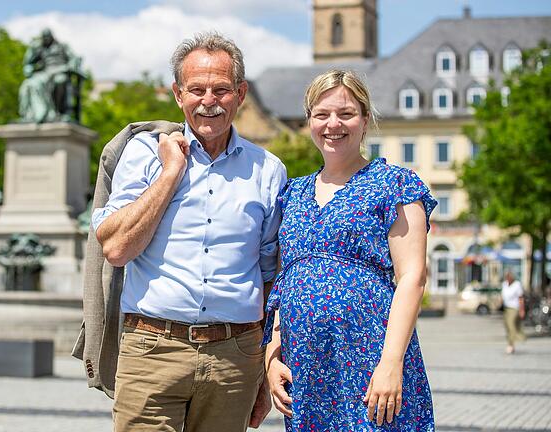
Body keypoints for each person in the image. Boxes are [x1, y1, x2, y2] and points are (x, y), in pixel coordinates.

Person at [90, 32, 287, 431]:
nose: (208, 101)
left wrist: (265, 365)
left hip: (236, 355)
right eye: (196, 89)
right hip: (154, 349)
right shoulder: (145, 153)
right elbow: (115, 248)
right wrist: (170, 174)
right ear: (179, 94)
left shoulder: (268, 169)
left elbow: (270, 276)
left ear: (241, 93)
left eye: (221, 90)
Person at [264, 70, 436, 430]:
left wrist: (391, 362)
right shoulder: (292, 194)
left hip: (370, 358)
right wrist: (272, 353)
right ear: (309, 120)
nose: (333, 125)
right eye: (321, 114)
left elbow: (412, 277)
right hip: (307, 366)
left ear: (365, 119)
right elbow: (285, 280)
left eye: (346, 114)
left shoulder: (394, 184)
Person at [501, 271, 525, 354]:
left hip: (514, 308)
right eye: (507, 277)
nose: (508, 278)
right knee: (507, 326)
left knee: (511, 325)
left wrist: (522, 310)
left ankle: (510, 345)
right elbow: (503, 295)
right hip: (506, 308)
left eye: (509, 277)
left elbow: (521, 298)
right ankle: (511, 344)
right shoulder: (504, 284)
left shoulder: (517, 285)